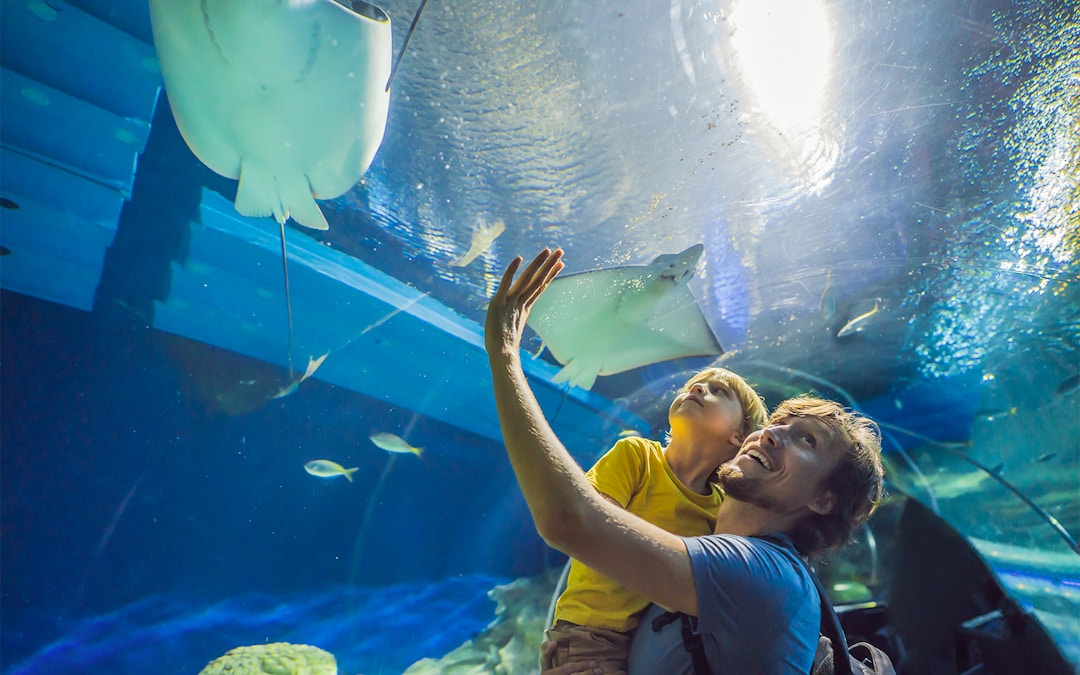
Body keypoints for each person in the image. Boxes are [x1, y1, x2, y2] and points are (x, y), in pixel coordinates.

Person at [485, 249, 885, 674]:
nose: (770, 432)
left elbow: (571, 518)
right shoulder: (716, 552)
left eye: (806, 439)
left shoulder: (763, 575)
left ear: (824, 499)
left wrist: (505, 353)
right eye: (777, 422)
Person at [543, 366, 767, 674]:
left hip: (654, 643)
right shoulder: (636, 455)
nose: (698, 389)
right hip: (590, 635)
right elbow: (592, 525)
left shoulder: (721, 508)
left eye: (719, 391)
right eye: (694, 384)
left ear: (739, 435)